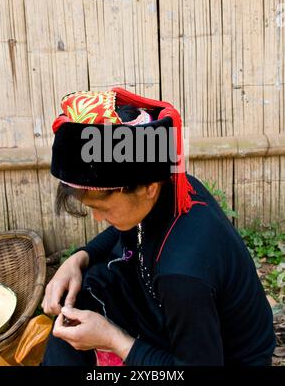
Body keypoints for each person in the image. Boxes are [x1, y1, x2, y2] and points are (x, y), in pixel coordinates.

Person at [41, 88, 276, 366]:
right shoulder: (169, 187)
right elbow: (122, 228)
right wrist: (79, 259)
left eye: (103, 208)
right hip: (172, 312)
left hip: (225, 357)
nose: (98, 219)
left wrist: (113, 339)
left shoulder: (182, 272)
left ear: (148, 188)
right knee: (77, 304)